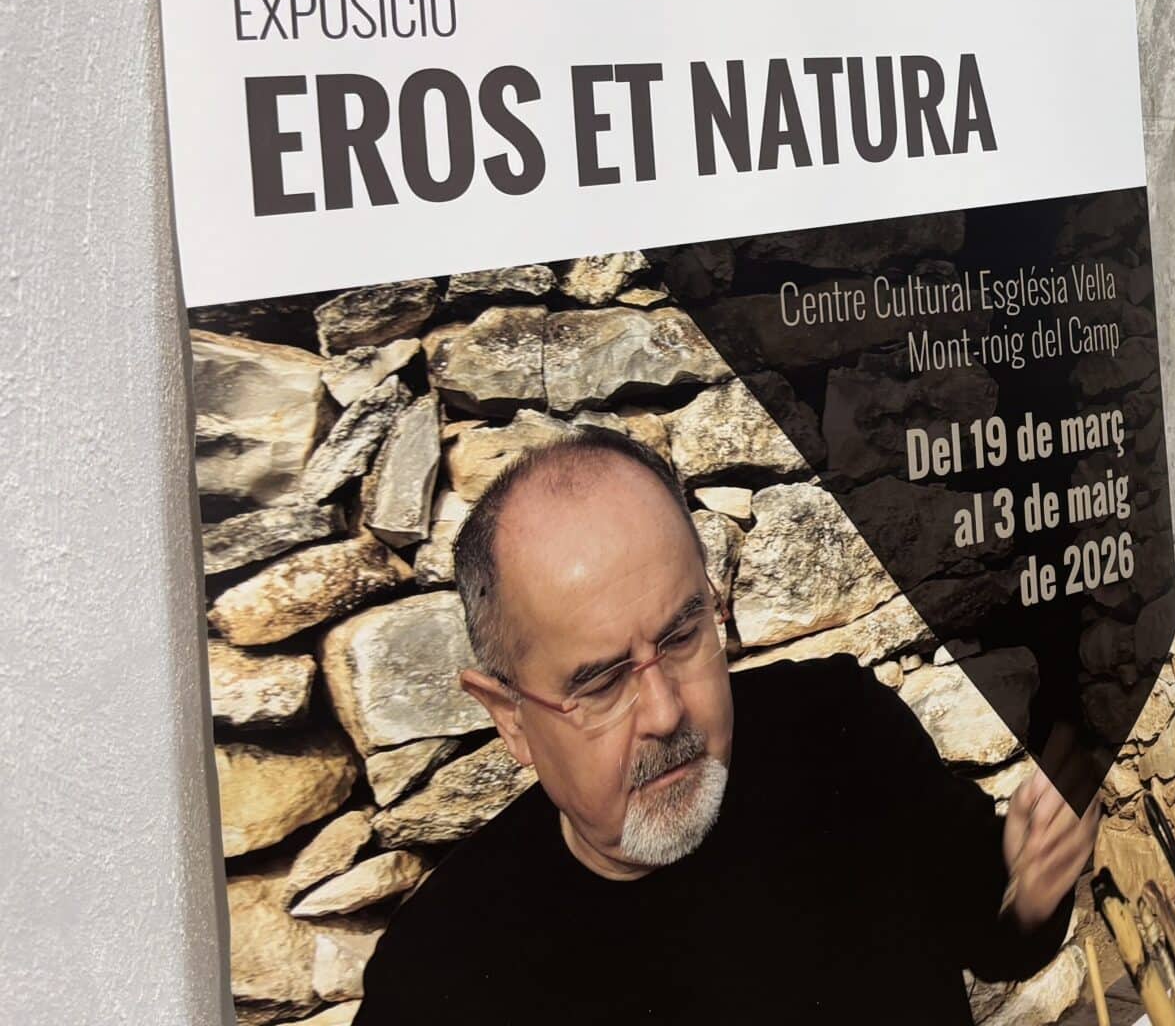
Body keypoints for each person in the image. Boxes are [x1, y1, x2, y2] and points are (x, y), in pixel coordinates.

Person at [357, 427, 1097, 1023]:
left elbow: (993, 936)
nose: (665, 712)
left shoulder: (840, 726)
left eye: (682, 637)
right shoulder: (439, 977)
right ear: (511, 718)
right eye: (603, 681)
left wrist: (1028, 889)